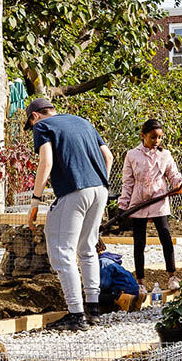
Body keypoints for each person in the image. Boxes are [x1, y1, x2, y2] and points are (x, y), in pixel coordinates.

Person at [25, 98, 113, 331]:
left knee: (62, 251)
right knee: (87, 247)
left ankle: (76, 315)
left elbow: (46, 162)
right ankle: (93, 310)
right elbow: (109, 157)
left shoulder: (42, 126)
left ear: (34, 116)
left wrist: (35, 201)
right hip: (100, 190)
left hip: (75, 191)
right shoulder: (82, 121)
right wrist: (100, 182)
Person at [119, 118, 182, 291]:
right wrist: (123, 206)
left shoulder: (164, 155)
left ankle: (172, 276)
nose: (156, 141)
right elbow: (128, 182)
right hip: (139, 203)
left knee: (166, 238)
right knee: (139, 243)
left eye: (159, 137)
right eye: (153, 137)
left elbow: (173, 175)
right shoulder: (132, 155)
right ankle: (140, 282)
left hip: (159, 202)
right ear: (143, 135)